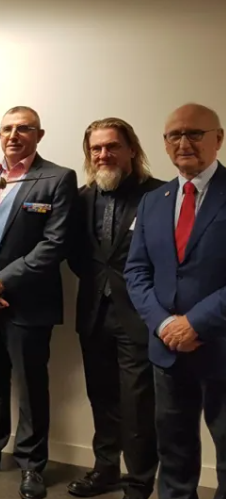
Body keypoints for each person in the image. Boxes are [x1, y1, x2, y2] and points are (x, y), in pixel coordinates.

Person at [0, 106, 77, 499]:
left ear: (39, 135)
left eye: (24, 129)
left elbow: (55, 244)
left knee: (32, 386)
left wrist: (2, 281)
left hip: (29, 303)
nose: (14, 135)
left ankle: (31, 465)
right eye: (7, 128)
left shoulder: (57, 178)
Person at [125, 103, 226, 499]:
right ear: (165, 144)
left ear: (218, 138)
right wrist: (165, 325)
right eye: (174, 135)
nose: (184, 143)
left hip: (220, 345)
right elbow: (136, 272)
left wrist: (195, 323)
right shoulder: (154, 200)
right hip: (167, 350)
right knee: (175, 451)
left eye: (195, 134)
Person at [66, 118, 162, 499]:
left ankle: (139, 483)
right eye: (96, 149)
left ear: (131, 150)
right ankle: (104, 470)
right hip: (92, 313)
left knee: (138, 406)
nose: (104, 154)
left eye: (112, 146)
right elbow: (75, 254)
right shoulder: (81, 197)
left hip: (139, 316)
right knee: (101, 398)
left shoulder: (158, 195)